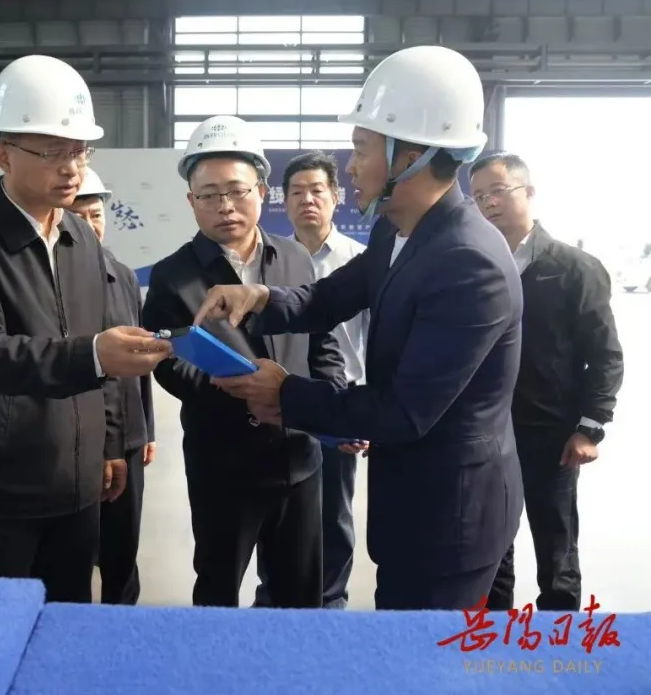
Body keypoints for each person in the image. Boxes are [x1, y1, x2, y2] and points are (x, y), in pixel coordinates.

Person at [192, 45, 525, 611]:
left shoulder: (468, 262)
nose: (350, 166)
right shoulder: (398, 230)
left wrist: (285, 394)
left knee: (428, 652)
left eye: (361, 148)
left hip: (452, 517)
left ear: (410, 156)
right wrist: (259, 298)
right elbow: (328, 297)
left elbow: (405, 412)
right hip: (411, 498)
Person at [0, 54, 172, 603]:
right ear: (3, 154)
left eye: (80, 151)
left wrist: (110, 443)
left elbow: (104, 349)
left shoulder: (81, 241)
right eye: (53, 152)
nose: (72, 168)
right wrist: (93, 356)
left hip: (78, 490)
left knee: (67, 621)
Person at [142, 116, 346, 609]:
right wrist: (242, 390)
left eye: (236, 191)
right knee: (218, 589)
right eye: (209, 195)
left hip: (299, 458)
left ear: (261, 191)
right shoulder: (173, 275)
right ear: (191, 201)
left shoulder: (295, 258)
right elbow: (170, 362)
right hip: (223, 463)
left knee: (300, 594)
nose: (225, 206)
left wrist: (333, 402)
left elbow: (322, 340)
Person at [471, 152, 623, 612]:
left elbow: (605, 354)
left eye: (498, 191)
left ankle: (560, 640)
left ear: (529, 192)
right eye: (478, 196)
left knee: (556, 549)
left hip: (551, 434)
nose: (488, 203)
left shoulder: (575, 268)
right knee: (491, 548)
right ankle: (493, 637)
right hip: (488, 432)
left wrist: (591, 427)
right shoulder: (476, 267)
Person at [254, 151, 369, 610]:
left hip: (340, 406)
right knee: (279, 510)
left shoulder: (360, 260)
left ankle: (331, 601)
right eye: (297, 192)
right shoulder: (273, 260)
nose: (307, 200)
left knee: (334, 513)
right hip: (283, 402)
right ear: (283, 201)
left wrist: (368, 409)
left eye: (317, 190)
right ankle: (273, 596)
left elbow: (375, 339)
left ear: (336, 197)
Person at [68, 168, 156, 605]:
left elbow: (140, 358)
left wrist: (147, 429)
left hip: (130, 437)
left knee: (123, 549)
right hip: (81, 440)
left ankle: (122, 622)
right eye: (79, 215)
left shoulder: (123, 275)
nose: (90, 224)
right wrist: (106, 447)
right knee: (76, 552)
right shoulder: (56, 283)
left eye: (96, 214)